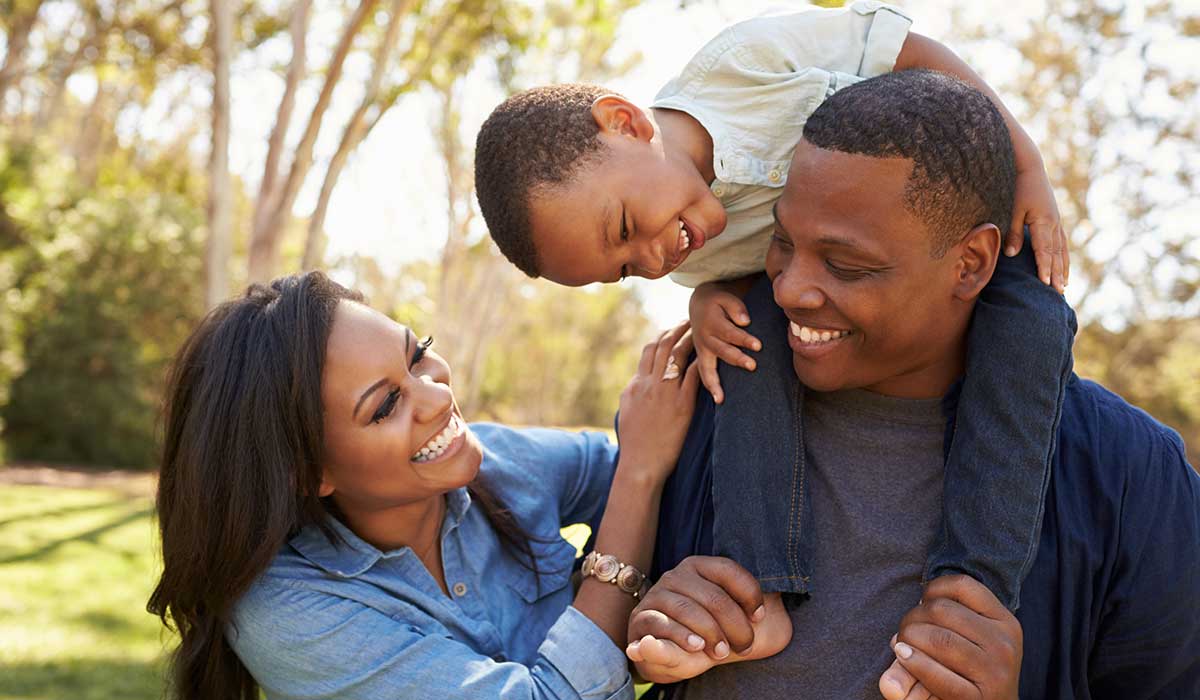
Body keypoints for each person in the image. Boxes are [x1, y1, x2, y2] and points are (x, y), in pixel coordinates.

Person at [473, 3, 1075, 663]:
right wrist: (709, 299)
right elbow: (751, 277)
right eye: (622, 269)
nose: (651, 260)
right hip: (834, 300)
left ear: (625, 123)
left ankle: (971, 590)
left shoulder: (743, 66)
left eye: (623, 228)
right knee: (742, 345)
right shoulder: (689, 248)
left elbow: (911, 53)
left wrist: (1024, 167)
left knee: (1036, 322)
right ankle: (760, 591)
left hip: (948, 232)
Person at [625, 70, 1200, 699]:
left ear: (972, 263)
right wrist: (649, 627)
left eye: (847, 265)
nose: (788, 290)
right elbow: (586, 637)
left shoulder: (1128, 475)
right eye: (782, 243)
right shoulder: (701, 400)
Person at [146, 271, 707, 700]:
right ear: (307, 472)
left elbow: (677, 472)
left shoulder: (499, 463)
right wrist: (638, 477)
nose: (438, 396)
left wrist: (712, 303)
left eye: (417, 356)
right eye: (387, 404)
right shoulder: (289, 613)